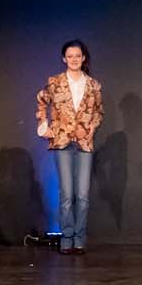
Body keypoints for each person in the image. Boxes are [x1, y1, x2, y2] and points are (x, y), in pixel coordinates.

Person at [36, 40, 103, 255]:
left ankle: (79, 238)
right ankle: (66, 237)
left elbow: (99, 112)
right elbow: (41, 101)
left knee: (82, 195)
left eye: (78, 55)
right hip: (62, 141)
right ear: (64, 59)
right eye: (70, 56)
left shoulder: (93, 85)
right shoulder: (54, 82)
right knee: (66, 194)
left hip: (84, 142)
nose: (74, 59)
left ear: (84, 58)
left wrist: (92, 128)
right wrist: (43, 125)